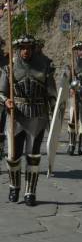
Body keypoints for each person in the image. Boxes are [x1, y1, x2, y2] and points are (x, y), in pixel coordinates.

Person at [1, 35, 56, 206]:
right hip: (16, 116)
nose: (25, 51)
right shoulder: (9, 68)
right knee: (14, 156)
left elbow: (52, 94)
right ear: (18, 49)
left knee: (33, 155)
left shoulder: (45, 67)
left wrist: (55, 114)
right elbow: (1, 92)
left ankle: (30, 192)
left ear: (33, 49)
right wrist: (6, 101)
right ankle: (14, 187)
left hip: (37, 115)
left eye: (29, 48)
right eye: (22, 47)